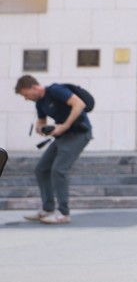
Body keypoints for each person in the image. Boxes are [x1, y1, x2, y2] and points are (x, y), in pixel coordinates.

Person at [14, 75, 92, 225]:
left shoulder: (56, 90)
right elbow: (41, 121)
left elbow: (79, 104)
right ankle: (47, 209)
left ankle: (63, 213)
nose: (26, 98)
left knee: (59, 170)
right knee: (42, 169)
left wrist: (65, 125)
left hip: (79, 133)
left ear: (34, 88)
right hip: (63, 135)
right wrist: (40, 129)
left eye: (26, 94)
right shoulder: (39, 103)